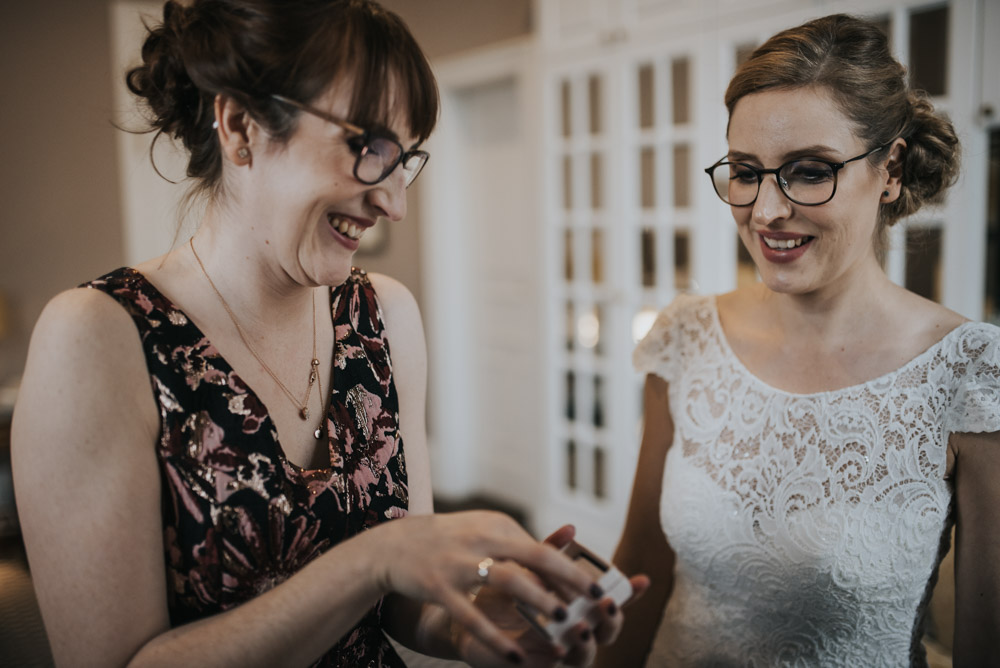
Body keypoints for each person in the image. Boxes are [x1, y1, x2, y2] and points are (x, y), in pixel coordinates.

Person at [10, 2, 647, 666]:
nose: (394, 202)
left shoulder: (386, 318)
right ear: (241, 127)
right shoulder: (98, 341)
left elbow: (400, 598)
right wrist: (372, 560)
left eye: (406, 159)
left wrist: (464, 627)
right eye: (368, 147)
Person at [600, 13, 1000, 667]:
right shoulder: (685, 336)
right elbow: (641, 563)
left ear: (891, 168)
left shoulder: (970, 373)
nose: (764, 211)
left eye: (809, 171)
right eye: (745, 170)